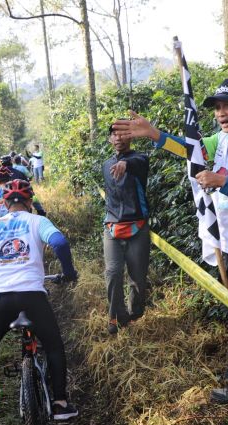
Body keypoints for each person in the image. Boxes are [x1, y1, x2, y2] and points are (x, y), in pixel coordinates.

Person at [112, 78, 228, 404]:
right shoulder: (222, 138)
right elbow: (191, 150)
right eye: (217, 107)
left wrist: (224, 182)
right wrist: (155, 135)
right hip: (226, 240)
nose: (221, 112)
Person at [0, 179, 80, 421]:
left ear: (4, 203)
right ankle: (60, 403)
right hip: (32, 295)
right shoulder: (38, 221)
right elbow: (59, 243)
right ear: (29, 201)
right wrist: (68, 272)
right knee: (54, 346)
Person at [102, 124, 151, 335]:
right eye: (115, 134)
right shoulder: (105, 165)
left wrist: (125, 164)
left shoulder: (140, 160)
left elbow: (137, 162)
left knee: (137, 278)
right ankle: (116, 317)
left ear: (130, 136)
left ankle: (135, 313)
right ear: (110, 140)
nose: (119, 137)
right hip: (112, 227)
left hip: (137, 226)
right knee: (113, 273)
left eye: (123, 133)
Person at [0, 156, 46, 228]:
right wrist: (40, 210)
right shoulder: (18, 185)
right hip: (25, 222)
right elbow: (33, 197)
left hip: (5, 225)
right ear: (9, 178)